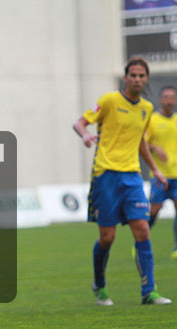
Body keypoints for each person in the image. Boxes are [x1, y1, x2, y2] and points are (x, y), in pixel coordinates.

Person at [72, 57, 172, 306]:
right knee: (107, 237)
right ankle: (100, 285)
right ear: (126, 78)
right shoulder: (109, 101)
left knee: (143, 229)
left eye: (142, 75)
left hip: (132, 177)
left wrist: (155, 170)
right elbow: (79, 122)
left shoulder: (146, 108)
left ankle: (149, 291)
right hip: (105, 174)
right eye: (133, 75)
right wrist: (85, 136)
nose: (137, 79)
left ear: (146, 79)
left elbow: (140, 141)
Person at [145, 86, 177, 257]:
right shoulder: (153, 120)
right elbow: (142, 144)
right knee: (154, 210)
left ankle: (176, 246)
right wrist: (155, 148)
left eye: (172, 97)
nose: (169, 100)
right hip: (159, 175)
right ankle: (141, 241)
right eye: (166, 97)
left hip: (176, 174)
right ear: (160, 100)